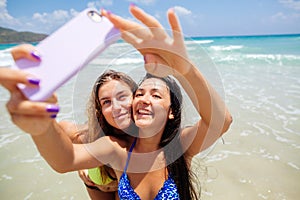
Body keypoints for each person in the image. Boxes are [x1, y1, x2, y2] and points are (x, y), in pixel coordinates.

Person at [4, 5, 232, 199]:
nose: (144, 99)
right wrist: (42, 127)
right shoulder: (117, 149)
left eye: (156, 95)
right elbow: (65, 160)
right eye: (140, 93)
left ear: (171, 112)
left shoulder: (181, 147)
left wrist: (184, 69)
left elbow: (221, 121)